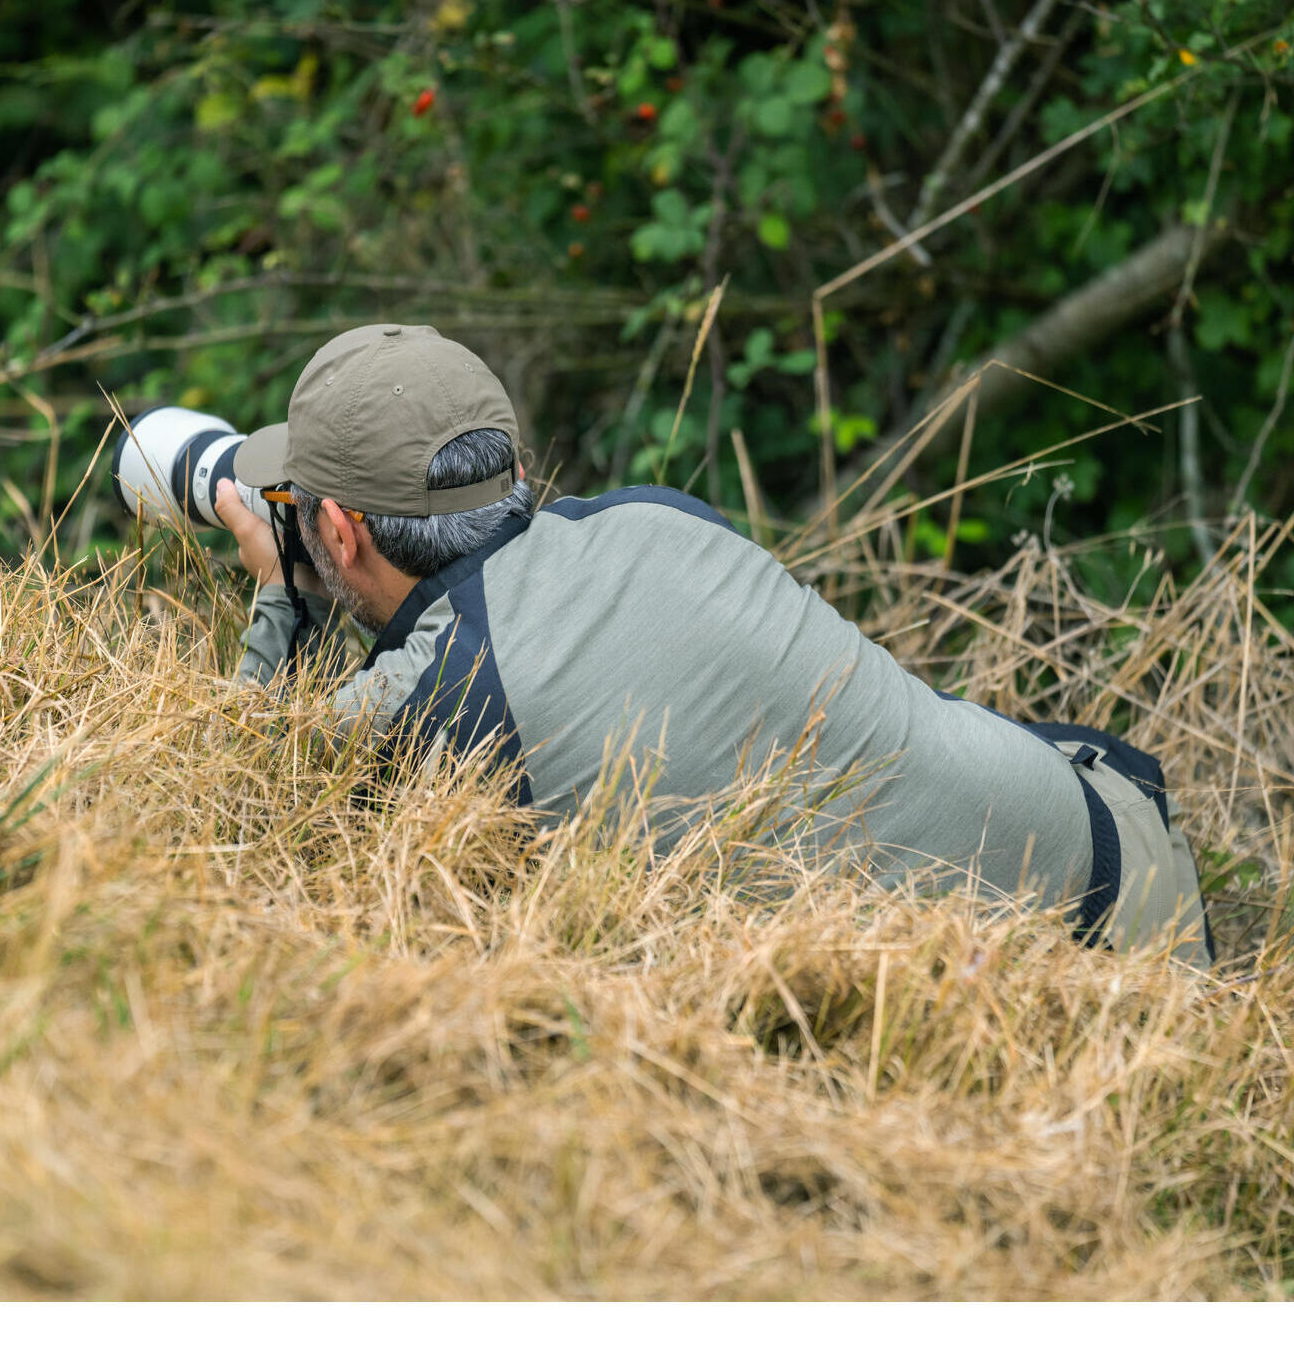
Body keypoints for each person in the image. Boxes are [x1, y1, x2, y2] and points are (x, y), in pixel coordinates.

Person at [215, 322, 1210, 964]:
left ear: (340, 532)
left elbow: (228, 806)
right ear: (512, 466)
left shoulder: (445, 696)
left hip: (1065, 1010)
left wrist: (282, 600)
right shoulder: (656, 515)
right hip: (1127, 857)